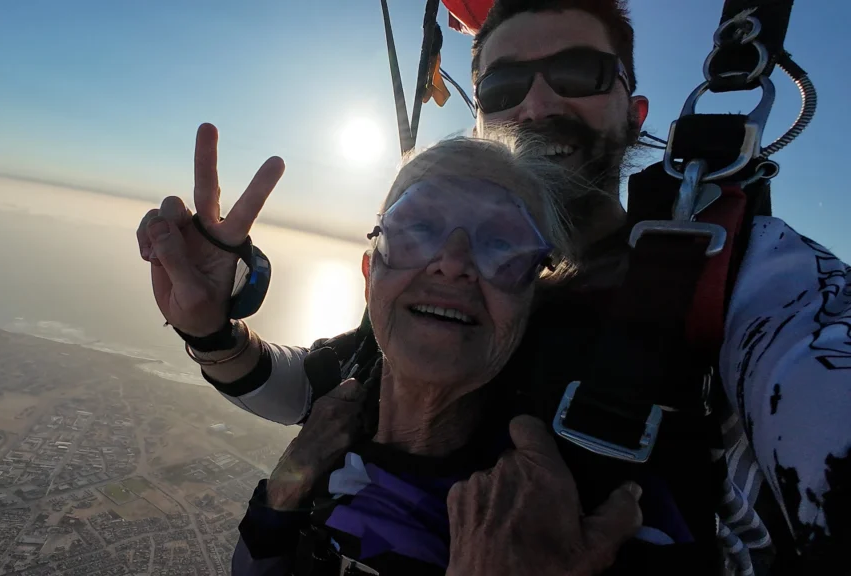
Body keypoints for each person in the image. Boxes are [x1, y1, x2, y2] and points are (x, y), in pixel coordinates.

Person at [137, 1, 850, 573]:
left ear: (634, 113)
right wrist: (211, 330)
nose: (537, 104)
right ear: (482, 121)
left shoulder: (742, 283)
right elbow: (314, 391)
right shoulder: (443, 281)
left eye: (578, 72)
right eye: (505, 86)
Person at [229, 134, 650, 575]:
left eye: (502, 242)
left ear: (532, 299)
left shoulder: (558, 509)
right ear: (371, 275)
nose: (452, 262)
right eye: (419, 229)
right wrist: (278, 499)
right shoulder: (335, 428)